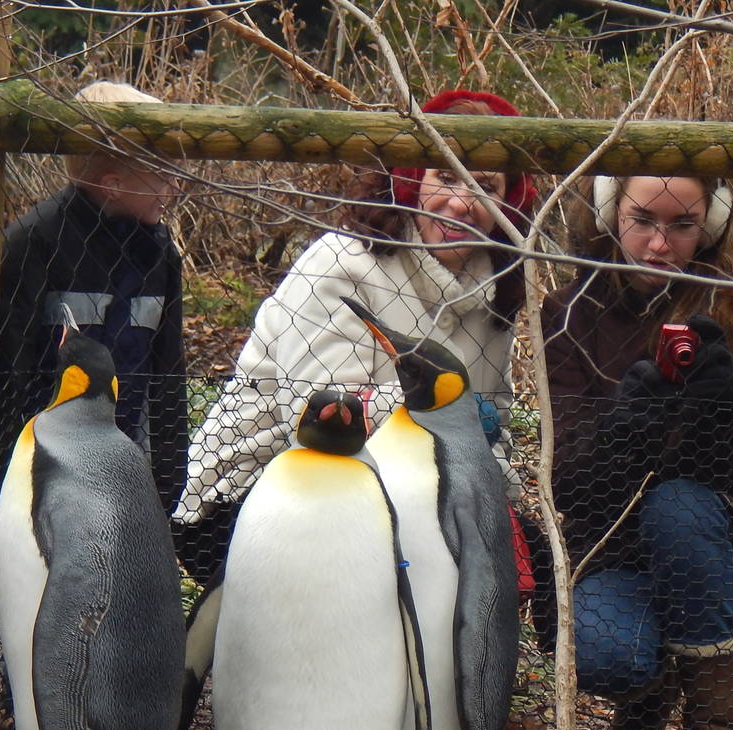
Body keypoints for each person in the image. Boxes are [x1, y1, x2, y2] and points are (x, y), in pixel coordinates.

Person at [173, 88, 538, 581]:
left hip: (406, 496)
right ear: (411, 177)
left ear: (508, 203)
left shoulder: (496, 293)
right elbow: (318, 414)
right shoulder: (343, 261)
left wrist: (499, 500)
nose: (460, 202)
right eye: (445, 177)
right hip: (257, 489)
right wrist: (458, 413)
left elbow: (493, 423)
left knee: (521, 554)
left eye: (486, 187)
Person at [541, 173, 733, 730]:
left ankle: (722, 725)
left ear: (710, 226)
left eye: (682, 225)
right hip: (615, 541)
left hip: (729, 540)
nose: (659, 245)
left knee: (678, 507)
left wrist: (730, 399)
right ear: (610, 215)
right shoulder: (568, 313)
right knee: (605, 654)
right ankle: (650, 689)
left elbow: (730, 462)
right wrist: (627, 422)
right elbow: (568, 480)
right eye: (642, 221)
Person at [0, 80, 188, 517]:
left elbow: (168, 373)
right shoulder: (35, 243)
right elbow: (11, 367)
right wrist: (7, 478)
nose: (173, 186)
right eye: (161, 172)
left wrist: (168, 477)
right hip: (45, 469)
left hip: (127, 466)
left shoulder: (160, 256)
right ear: (113, 184)